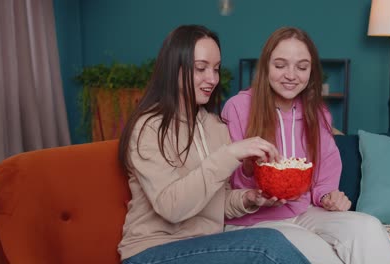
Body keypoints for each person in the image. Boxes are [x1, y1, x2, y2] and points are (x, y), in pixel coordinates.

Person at [117, 25, 310, 264]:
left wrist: (249, 199)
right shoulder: (148, 127)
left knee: (274, 240)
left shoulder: (214, 126)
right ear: (173, 68)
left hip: (204, 247)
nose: (212, 79)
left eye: (216, 69)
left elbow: (217, 202)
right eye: (201, 68)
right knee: (267, 246)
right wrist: (230, 154)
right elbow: (172, 208)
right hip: (152, 252)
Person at [222, 27, 390, 264]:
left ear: (311, 71)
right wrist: (250, 173)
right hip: (252, 221)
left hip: (302, 211)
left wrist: (328, 195)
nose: (291, 75)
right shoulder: (238, 108)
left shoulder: (318, 113)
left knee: (367, 226)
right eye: (280, 65)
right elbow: (227, 182)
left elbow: (325, 172)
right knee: (314, 249)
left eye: (302, 67)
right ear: (265, 66)